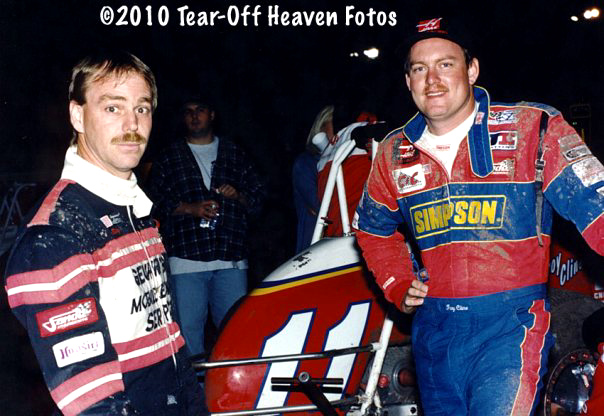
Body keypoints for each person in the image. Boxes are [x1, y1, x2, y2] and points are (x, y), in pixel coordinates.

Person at [354, 16, 604, 415]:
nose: (432, 80)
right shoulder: (394, 152)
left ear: (471, 70)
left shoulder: (533, 128)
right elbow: (371, 229)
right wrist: (397, 282)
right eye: (419, 69)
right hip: (434, 334)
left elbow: (597, 207)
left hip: (509, 328)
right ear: (408, 82)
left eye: (445, 64)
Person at [4, 51, 202, 415]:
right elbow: (93, 403)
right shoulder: (54, 236)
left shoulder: (136, 212)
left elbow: (173, 345)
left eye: (142, 108)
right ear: (77, 116)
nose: (132, 124)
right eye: (113, 108)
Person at [146, 96, 265, 357]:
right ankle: (196, 385)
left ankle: (232, 382)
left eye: (200, 110)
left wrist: (238, 196)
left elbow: (258, 199)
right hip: (186, 260)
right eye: (188, 111)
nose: (194, 116)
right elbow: (153, 203)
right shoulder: (169, 157)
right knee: (188, 336)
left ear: (211, 115)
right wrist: (190, 208)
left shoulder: (235, 153)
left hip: (231, 259)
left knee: (236, 333)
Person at [292, 106, 331, 252]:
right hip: (314, 246)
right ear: (322, 128)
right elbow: (322, 207)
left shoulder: (346, 159)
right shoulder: (305, 163)